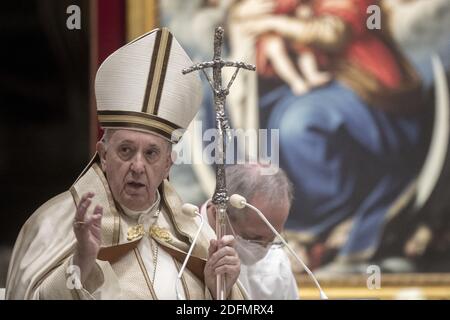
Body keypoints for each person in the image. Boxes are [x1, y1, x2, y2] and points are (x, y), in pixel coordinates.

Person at [6, 28, 246, 300]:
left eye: (151, 154)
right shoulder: (53, 223)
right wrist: (80, 264)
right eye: (125, 150)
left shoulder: (192, 232)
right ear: (103, 155)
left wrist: (218, 291)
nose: (137, 166)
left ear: (168, 164)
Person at [234, 0, 431, 270]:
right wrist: (244, 15)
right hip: (324, 83)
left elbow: (332, 33)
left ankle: (325, 221)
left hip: (373, 93)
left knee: (299, 125)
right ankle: (302, 224)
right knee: (264, 119)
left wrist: (271, 23)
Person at [201, 164, 299, 299]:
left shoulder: (277, 262)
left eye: (273, 239)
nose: (264, 249)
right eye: (254, 237)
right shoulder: (182, 249)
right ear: (218, 214)